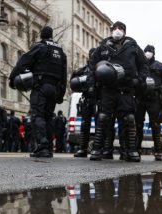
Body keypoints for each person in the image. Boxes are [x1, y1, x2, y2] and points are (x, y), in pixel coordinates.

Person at [88, 21, 149, 162]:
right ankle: (97, 149)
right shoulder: (103, 47)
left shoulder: (133, 47)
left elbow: (144, 65)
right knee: (103, 118)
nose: (117, 30)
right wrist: (91, 84)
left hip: (126, 89)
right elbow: (92, 66)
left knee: (128, 119)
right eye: (115, 28)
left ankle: (131, 150)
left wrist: (139, 80)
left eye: (120, 28)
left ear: (124, 31)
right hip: (108, 89)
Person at [9, 26, 67, 158]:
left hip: (41, 86)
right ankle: (49, 149)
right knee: (48, 117)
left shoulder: (40, 47)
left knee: (37, 115)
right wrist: (61, 94)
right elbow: (64, 75)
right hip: (54, 88)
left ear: (42, 35)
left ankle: (42, 146)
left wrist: (13, 78)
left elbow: (22, 62)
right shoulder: (60, 52)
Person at [135, 45, 162, 161]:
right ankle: (136, 150)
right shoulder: (139, 65)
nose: (147, 53)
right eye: (146, 51)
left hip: (154, 99)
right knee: (138, 125)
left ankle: (158, 151)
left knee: (156, 125)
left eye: (150, 51)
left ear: (154, 53)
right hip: (140, 98)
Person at [70, 48, 97, 158]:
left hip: (99, 99)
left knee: (102, 124)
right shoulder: (83, 70)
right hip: (86, 99)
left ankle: (100, 149)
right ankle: (83, 149)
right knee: (85, 124)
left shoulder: (102, 68)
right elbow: (74, 81)